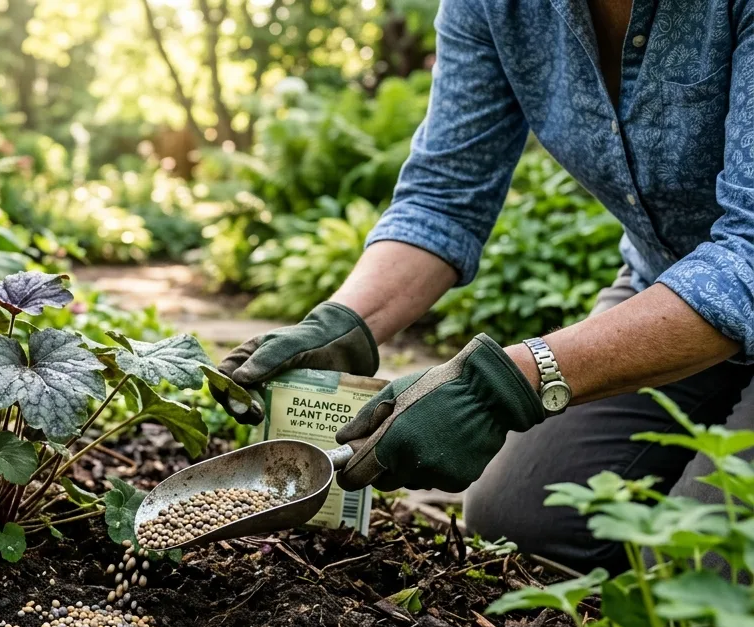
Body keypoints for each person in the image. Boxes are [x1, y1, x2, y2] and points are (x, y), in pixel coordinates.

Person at [214, 0, 754, 575]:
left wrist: (501, 385)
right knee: (522, 521)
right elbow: (446, 193)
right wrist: (347, 321)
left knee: (701, 568)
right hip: (664, 284)